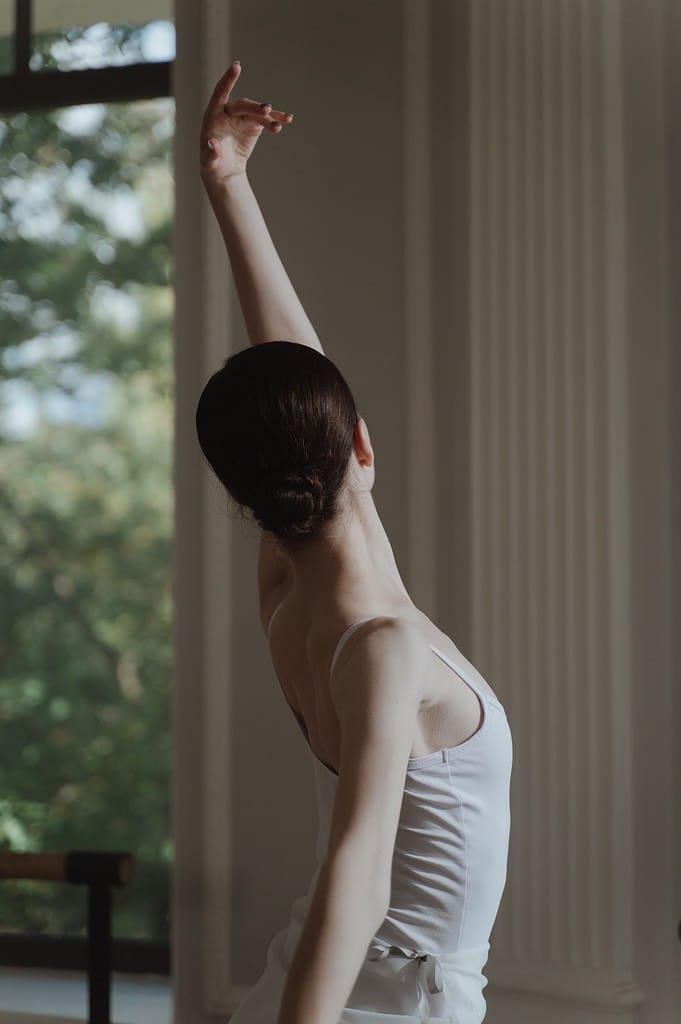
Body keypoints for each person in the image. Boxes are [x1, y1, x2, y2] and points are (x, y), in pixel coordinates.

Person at [195, 61, 513, 1024]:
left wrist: (229, 186)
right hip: (378, 1007)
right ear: (362, 446)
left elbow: (290, 374)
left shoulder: (286, 594)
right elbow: (358, 874)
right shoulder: (382, 649)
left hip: (330, 981)